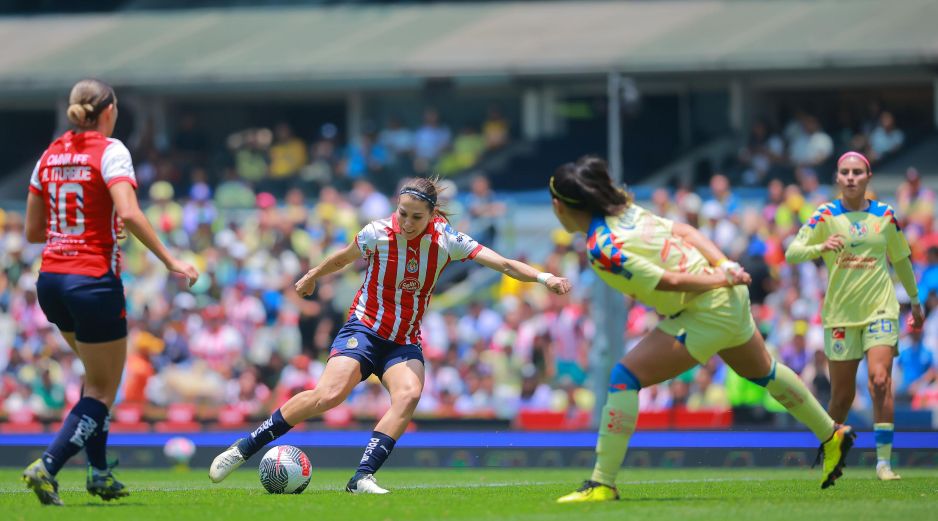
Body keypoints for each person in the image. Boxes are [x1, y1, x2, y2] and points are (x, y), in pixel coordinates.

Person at [209, 177, 571, 493]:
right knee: (329, 395)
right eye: (403, 213)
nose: (408, 222)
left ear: (432, 216)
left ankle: (361, 477)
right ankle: (243, 447)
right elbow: (343, 257)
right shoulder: (377, 233)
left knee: (409, 394)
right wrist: (312, 276)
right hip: (364, 329)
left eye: (416, 217)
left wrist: (544, 278)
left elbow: (504, 264)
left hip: (403, 340)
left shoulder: (447, 240)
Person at [548, 156, 853, 503]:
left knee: (623, 377)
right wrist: (725, 265)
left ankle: (602, 482)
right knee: (764, 371)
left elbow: (670, 280)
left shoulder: (601, 246)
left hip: (707, 305)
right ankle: (832, 435)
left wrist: (718, 276)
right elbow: (685, 231)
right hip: (728, 296)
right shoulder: (628, 211)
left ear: (560, 206)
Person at [21, 79, 199, 506]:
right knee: (103, 390)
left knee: (94, 382)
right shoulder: (111, 149)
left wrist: (82, 226)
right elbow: (130, 212)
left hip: (52, 282)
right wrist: (172, 261)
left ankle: (99, 473)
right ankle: (47, 465)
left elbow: (31, 231)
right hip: (92, 281)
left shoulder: (49, 155)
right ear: (109, 111)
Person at [786, 151, 924, 481]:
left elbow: (901, 259)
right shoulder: (825, 215)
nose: (850, 177)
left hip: (881, 309)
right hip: (840, 315)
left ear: (868, 177)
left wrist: (916, 303)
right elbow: (792, 252)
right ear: (837, 178)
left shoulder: (886, 216)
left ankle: (884, 464)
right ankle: (829, 456)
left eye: (857, 172)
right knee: (842, 397)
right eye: (845, 172)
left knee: (879, 381)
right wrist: (819, 248)